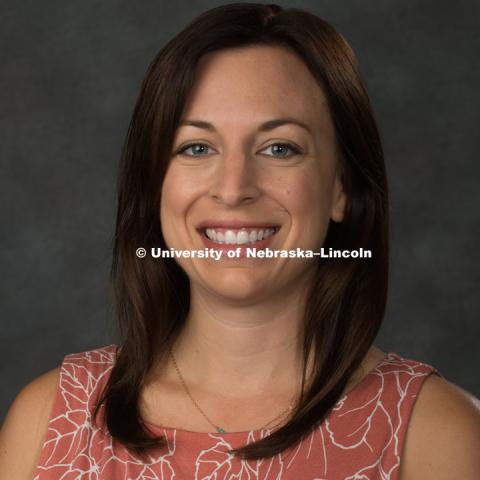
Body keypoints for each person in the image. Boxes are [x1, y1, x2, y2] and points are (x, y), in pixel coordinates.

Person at [1, 3, 479, 479]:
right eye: (196, 147)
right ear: (154, 184)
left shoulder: (439, 436)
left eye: (279, 148)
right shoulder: (48, 420)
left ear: (341, 187)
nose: (233, 188)